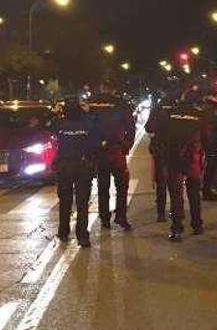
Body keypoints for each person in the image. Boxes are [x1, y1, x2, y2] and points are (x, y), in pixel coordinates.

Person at [53, 96, 100, 247]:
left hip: (65, 167)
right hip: (82, 166)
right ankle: (82, 236)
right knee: (82, 203)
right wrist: (88, 113)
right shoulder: (87, 122)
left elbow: (47, 128)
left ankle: (63, 231)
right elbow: (97, 139)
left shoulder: (59, 123)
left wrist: (56, 113)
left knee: (65, 201)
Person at [165, 88, 208, 242]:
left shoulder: (171, 113)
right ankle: (196, 225)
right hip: (193, 159)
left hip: (174, 158)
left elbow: (162, 134)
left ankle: (176, 229)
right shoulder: (200, 116)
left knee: (176, 196)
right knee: (194, 194)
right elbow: (206, 138)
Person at [91, 93, 136, 231]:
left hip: (100, 151)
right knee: (122, 185)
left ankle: (105, 218)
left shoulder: (94, 104)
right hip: (117, 150)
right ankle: (121, 217)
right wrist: (126, 145)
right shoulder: (121, 105)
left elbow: (89, 128)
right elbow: (131, 128)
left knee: (103, 186)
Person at [145, 94, 174, 222]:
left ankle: (161, 213)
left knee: (161, 182)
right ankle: (175, 210)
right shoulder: (177, 108)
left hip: (159, 148)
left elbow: (148, 127)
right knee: (174, 182)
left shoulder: (156, 109)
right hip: (174, 148)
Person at [201, 89, 217, 201]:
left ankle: (208, 188)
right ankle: (206, 190)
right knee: (210, 166)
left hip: (215, 140)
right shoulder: (209, 108)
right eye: (216, 96)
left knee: (213, 165)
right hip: (211, 141)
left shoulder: (215, 107)